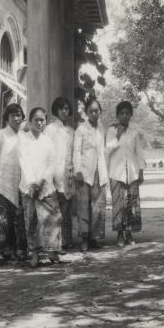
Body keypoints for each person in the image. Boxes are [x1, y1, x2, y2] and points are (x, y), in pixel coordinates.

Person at [18, 107, 63, 267]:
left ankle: (52, 251)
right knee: (32, 221)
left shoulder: (48, 141)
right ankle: (35, 254)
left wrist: (42, 181)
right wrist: (32, 183)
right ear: (30, 121)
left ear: (46, 122)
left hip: (46, 186)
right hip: (28, 186)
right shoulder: (23, 140)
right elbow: (23, 162)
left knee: (52, 218)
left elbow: (52, 163)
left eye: (42, 120)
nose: (39, 122)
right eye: (36, 119)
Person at [0, 103, 27, 261]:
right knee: (2, 220)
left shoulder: (25, 135)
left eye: (19, 115)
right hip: (2, 183)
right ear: (7, 118)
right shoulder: (0, 135)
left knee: (19, 219)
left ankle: (20, 250)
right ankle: (0, 251)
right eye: (13, 116)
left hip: (20, 182)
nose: (17, 119)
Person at [106, 101, 145, 247]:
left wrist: (141, 171)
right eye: (121, 113)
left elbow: (139, 153)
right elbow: (107, 149)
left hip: (132, 173)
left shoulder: (134, 132)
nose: (124, 116)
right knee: (119, 205)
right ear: (117, 115)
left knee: (131, 205)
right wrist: (117, 135)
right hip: (116, 173)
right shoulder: (111, 130)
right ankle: (119, 234)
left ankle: (129, 233)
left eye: (127, 113)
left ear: (130, 115)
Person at [73, 97, 108, 252]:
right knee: (84, 206)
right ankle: (84, 239)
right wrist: (78, 170)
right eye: (91, 111)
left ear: (100, 111)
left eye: (97, 110)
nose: (95, 113)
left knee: (98, 207)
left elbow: (103, 151)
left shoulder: (102, 129)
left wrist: (105, 173)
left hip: (99, 172)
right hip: (85, 172)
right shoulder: (81, 129)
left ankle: (94, 238)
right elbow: (76, 151)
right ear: (86, 112)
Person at [44, 97, 75, 250]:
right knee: (55, 208)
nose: (64, 111)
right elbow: (46, 151)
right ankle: (55, 242)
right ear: (56, 110)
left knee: (66, 208)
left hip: (67, 172)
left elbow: (72, 153)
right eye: (61, 108)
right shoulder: (50, 129)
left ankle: (67, 240)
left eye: (67, 109)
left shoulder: (71, 131)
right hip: (54, 171)